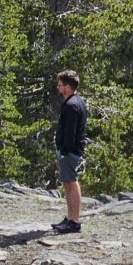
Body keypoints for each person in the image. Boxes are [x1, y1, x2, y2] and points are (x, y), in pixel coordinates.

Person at [51, 70, 88, 234]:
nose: (58, 88)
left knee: (71, 184)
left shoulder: (72, 105)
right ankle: (70, 218)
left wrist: (64, 150)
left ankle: (74, 221)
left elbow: (70, 133)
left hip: (70, 152)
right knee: (69, 184)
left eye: (60, 85)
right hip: (70, 151)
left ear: (67, 87)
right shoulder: (75, 101)